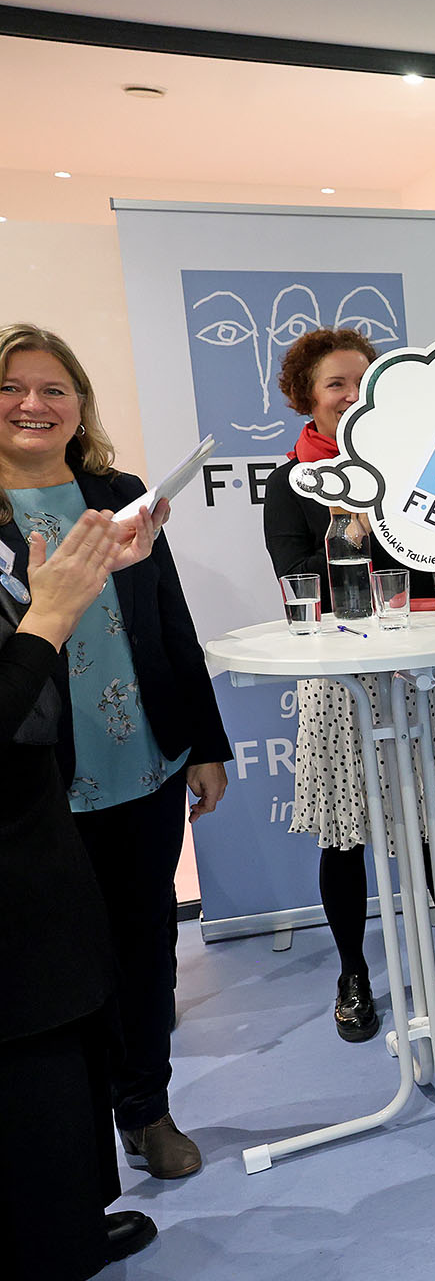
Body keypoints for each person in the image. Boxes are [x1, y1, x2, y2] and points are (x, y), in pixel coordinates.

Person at [0, 324, 229, 1184]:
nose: (33, 403)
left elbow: (170, 622)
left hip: (146, 763)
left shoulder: (117, 493)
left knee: (145, 947)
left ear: (79, 405)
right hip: (35, 789)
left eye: (53, 388)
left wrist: (204, 743)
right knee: (59, 969)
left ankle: (148, 1108)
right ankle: (76, 1137)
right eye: (13, 387)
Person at [264, 328, 435, 1048]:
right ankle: (352, 972)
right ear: (306, 399)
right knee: (346, 833)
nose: (351, 395)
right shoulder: (291, 484)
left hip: (423, 666)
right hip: (340, 681)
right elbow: (294, 581)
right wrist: (354, 519)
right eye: (335, 384)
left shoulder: (412, 468)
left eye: (362, 382)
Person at [1, 506, 164, 1281]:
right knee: (21, 1062)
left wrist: (79, 585)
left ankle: (63, 1227)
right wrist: (51, 614)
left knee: (63, 1039)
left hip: (31, 823)